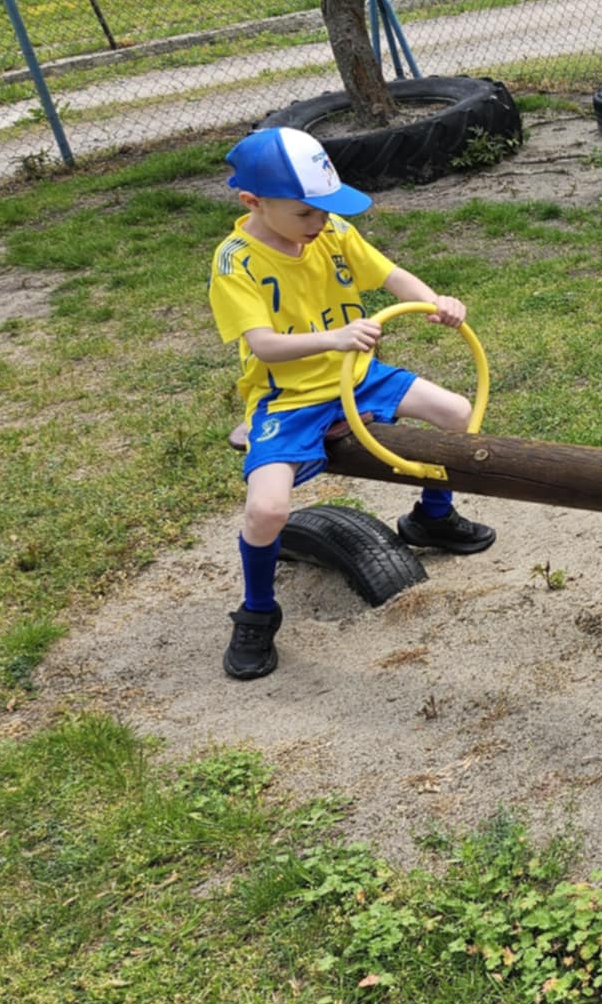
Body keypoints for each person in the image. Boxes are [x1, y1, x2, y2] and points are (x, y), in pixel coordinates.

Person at [209, 127, 496, 681]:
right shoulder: (235, 262)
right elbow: (263, 345)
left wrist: (434, 302)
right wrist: (334, 339)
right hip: (290, 396)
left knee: (457, 413)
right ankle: (257, 612)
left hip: (358, 377)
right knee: (266, 510)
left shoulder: (332, 231)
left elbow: (391, 276)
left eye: (324, 210)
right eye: (305, 213)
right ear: (253, 202)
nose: (319, 222)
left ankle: (433, 519)